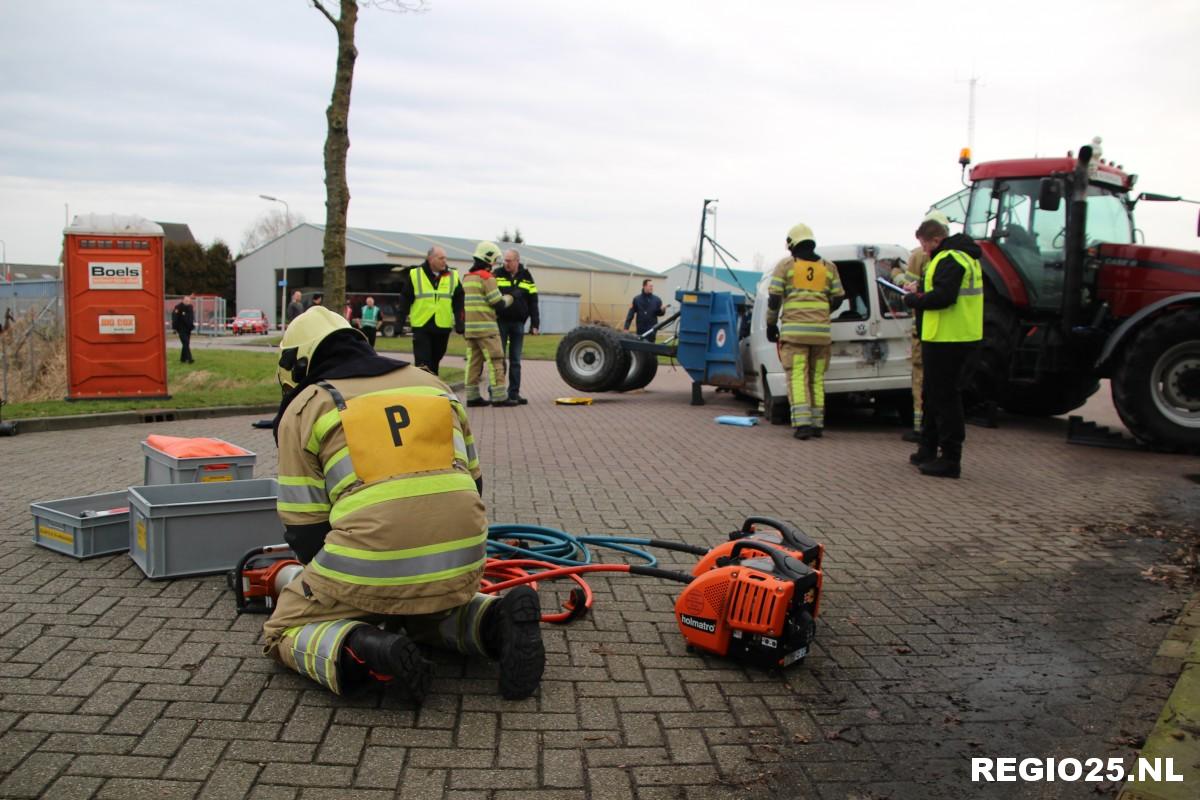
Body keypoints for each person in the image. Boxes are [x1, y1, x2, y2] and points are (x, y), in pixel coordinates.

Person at [264, 305, 545, 703]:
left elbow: (305, 530)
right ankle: (495, 621)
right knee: (421, 610)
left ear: (299, 363)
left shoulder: (309, 404)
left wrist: (341, 593)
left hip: (369, 560)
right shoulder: (432, 384)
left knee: (282, 629)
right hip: (463, 555)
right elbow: (475, 483)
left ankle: (364, 649)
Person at [902, 217, 984, 478]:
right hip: (950, 337)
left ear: (935, 240)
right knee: (933, 395)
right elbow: (945, 291)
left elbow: (944, 297)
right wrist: (922, 289)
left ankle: (950, 458)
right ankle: (927, 449)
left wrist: (914, 299)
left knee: (946, 398)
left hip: (949, 339)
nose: (924, 251)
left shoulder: (950, 258)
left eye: (925, 245)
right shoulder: (961, 258)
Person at [765, 224, 845, 440]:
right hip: (821, 334)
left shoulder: (787, 265)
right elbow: (838, 297)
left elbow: (774, 298)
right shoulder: (829, 267)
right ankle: (818, 424)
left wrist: (771, 325)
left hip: (795, 334)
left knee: (798, 377)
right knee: (817, 377)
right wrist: (822, 311)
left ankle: (803, 425)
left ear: (792, 244)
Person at [395, 246, 464, 376]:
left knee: (436, 360)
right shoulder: (415, 275)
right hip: (422, 326)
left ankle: (434, 390)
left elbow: (459, 300)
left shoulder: (453, 275)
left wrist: (460, 322)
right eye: (441, 258)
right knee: (423, 363)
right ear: (431, 259)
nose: (445, 261)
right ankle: (424, 391)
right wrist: (399, 323)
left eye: (445, 258)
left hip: (442, 326)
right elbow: (405, 299)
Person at [462, 242, 516, 407]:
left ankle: (472, 397)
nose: (495, 263)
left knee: (473, 363)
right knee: (496, 361)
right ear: (488, 258)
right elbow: (497, 303)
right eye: (494, 259)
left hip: (471, 330)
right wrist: (510, 298)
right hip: (487, 329)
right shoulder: (487, 278)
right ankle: (500, 397)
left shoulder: (467, 278)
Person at [495, 249, 540, 405]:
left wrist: (535, 323)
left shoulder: (527, 276)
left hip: (518, 323)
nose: (506, 264)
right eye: (504, 261)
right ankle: (497, 392)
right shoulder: (497, 274)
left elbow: (533, 300)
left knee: (515, 360)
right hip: (500, 322)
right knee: (498, 358)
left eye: (509, 261)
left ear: (517, 261)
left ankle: (514, 393)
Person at [171, 294, 196, 364]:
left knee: (186, 343)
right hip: (181, 328)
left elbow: (191, 318)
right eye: (186, 301)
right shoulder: (178, 307)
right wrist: (174, 328)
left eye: (189, 301)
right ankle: (190, 358)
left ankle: (182, 359)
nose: (188, 302)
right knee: (185, 342)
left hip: (188, 328)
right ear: (183, 300)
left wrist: (192, 326)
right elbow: (174, 318)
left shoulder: (190, 307)